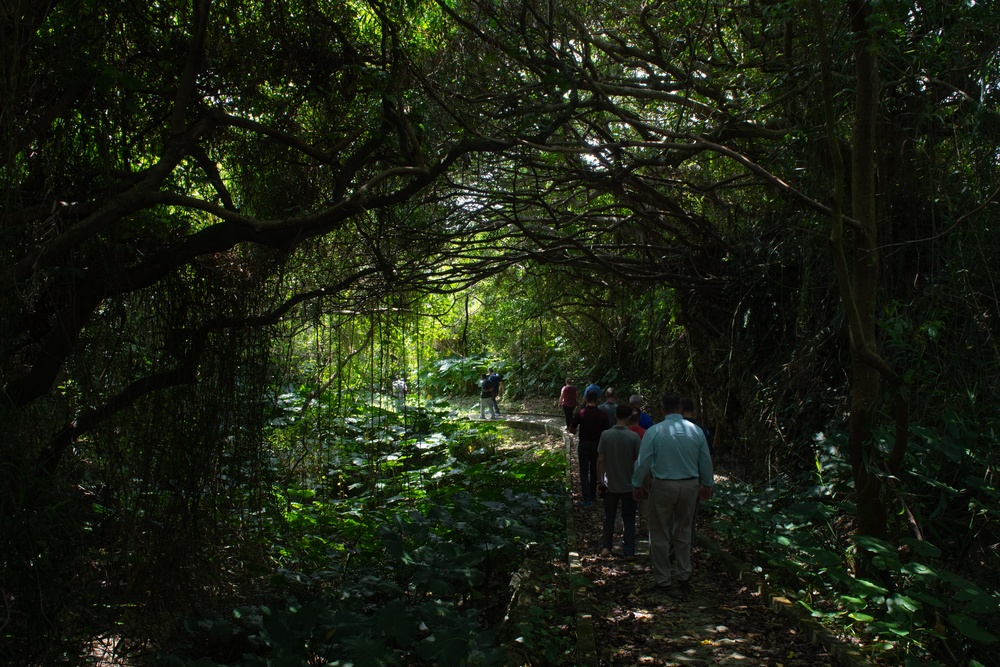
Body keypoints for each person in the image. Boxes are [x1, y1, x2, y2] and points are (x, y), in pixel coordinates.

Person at [632, 392, 714, 598]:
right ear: (680, 408)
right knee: (684, 530)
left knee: (659, 531)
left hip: (663, 485)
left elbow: (643, 462)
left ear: (662, 409)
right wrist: (708, 483)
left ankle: (663, 579)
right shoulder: (696, 431)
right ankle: (684, 575)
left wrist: (636, 483)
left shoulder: (654, 431)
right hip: (690, 485)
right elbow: (705, 459)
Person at [597, 403, 642, 557]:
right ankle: (629, 550)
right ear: (629, 417)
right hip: (629, 484)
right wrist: (640, 482)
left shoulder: (605, 435)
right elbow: (640, 460)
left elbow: (601, 460)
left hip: (610, 483)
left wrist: (600, 481)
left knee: (609, 516)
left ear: (616, 415)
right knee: (629, 518)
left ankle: (606, 547)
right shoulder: (634, 436)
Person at [569, 389, 610, 507]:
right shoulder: (602, 415)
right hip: (597, 445)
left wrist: (574, 430)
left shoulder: (581, 413)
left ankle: (586, 498)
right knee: (594, 470)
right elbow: (606, 431)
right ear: (597, 400)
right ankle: (593, 495)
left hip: (584, 445)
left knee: (583, 471)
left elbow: (572, 429)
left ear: (586, 399)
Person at [682, 397, 713, 548]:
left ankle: (673, 547)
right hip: (696, 478)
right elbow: (708, 458)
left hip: (677, 476)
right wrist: (708, 483)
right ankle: (688, 546)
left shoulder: (675, 430)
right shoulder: (702, 431)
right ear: (693, 411)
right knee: (691, 516)